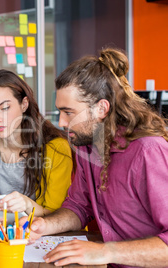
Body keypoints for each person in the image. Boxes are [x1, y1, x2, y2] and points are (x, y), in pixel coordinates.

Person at [27, 48, 168, 267]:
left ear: (101, 108)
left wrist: (106, 252)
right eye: (60, 113)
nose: (62, 123)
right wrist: (45, 226)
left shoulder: (149, 151)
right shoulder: (87, 146)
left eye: (69, 112)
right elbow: (78, 206)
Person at [0, 69, 73, 217]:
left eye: (5, 108)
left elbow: (58, 214)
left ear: (24, 104)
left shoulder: (56, 148)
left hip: (46, 233)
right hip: (5, 233)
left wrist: (27, 204)